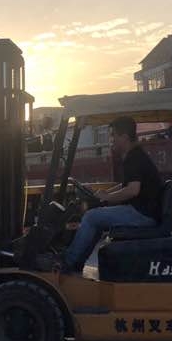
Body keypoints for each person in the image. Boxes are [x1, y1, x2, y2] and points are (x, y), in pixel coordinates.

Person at [62, 116, 164, 271]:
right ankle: (77, 263)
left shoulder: (134, 158)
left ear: (124, 137)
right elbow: (125, 185)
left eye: (113, 135)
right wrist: (104, 194)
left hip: (142, 214)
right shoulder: (135, 155)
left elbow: (133, 190)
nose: (111, 140)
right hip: (144, 211)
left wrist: (107, 198)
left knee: (90, 217)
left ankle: (68, 262)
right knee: (96, 218)